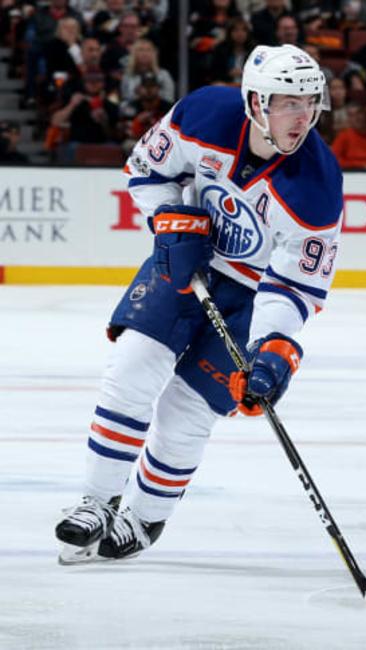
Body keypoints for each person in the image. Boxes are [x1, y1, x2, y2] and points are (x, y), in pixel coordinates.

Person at [54, 44, 343, 564]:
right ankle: (97, 501)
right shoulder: (206, 112)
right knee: (131, 366)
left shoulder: (317, 186)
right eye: (286, 102)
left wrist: (272, 350)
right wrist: (170, 219)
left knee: (185, 411)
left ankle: (143, 518)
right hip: (188, 260)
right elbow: (146, 169)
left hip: (252, 298)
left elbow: (295, 284)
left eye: (309, 103)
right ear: (255, 102)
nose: (301, 117)